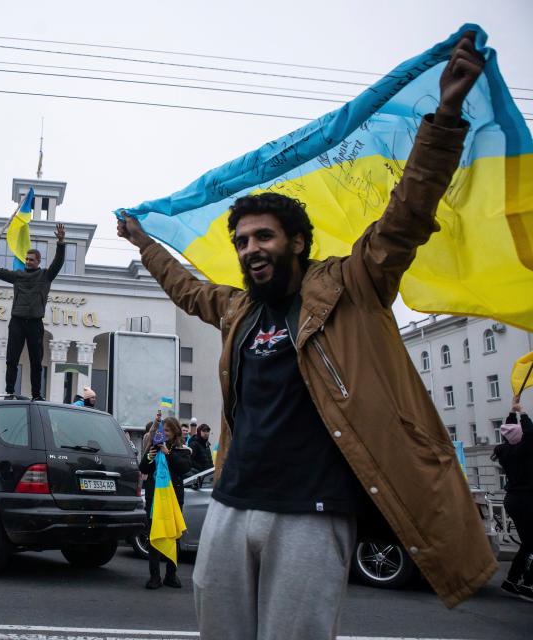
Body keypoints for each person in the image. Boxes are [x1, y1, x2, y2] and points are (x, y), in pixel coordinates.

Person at [117, 34, 492, 635]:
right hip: (232, 503)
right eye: (241, 242)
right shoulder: (239, 310)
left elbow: (406, 215)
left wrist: (444, 117)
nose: (249, 250)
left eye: (262, 237)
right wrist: (142, 244)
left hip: (312, 512)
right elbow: (187, 289)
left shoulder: (351, 285)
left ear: (295, 241)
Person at [0, 223, 66, 400]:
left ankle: (36, 395)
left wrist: (61, 242)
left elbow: (58, 263)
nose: (28, 262)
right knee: (11, 359)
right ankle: (9, 392)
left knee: (36, 362)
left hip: (35, 323)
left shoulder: (45, 275)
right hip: (16, 322)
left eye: (31, 259)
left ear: (38, 261)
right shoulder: (18, 275)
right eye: (26, 259)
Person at [140, 414, 192, 589]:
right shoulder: (154, 446)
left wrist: (167, 453)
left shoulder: (183, 450)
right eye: (164, 430)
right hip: (155, 498)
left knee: (174, 536)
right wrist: (150, 456)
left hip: (173, 499)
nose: (165, 433)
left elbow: (184, 468)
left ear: (175, 432)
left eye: (168, 430)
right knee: (154, 535)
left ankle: (171, 575)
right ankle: (154, 577)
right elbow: (143, 468)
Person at [494, 396, 533, 601]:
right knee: (531, 543)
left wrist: (512, 411)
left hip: (514, 500)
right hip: (526, 500)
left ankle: (512, 581)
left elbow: (509, 431)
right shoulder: (525, 451)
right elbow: (530, 434)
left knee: (528, 543)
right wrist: (523, 412)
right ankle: (528, 585)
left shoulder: (506, 450)